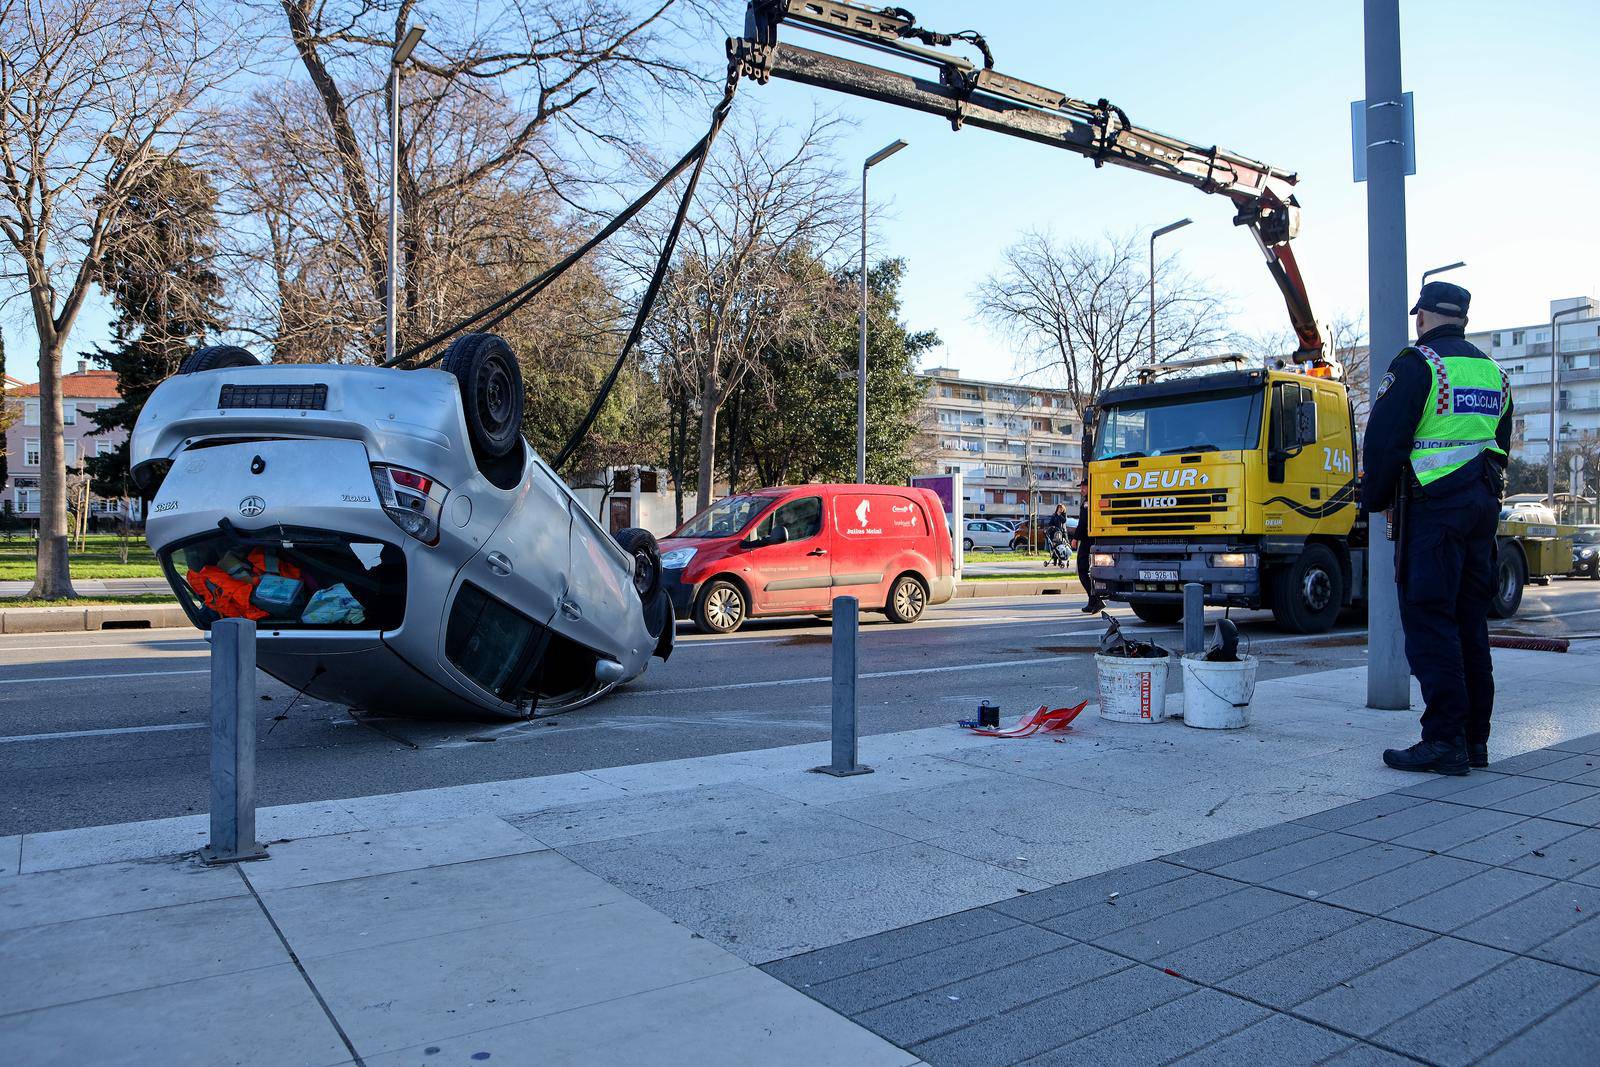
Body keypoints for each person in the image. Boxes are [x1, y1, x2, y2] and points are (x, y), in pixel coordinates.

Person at [1362, 280, 1512, 776]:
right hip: (1481, 509)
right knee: (1470, 622)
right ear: (1462, 319)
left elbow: (1384, 440)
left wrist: (1377, 499)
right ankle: (1475, 741)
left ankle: (1443, 740)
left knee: (1431, 621)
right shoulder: (1494, 373)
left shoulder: (1419, 364)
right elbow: (1501, 440)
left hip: (1432, 510)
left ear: (1422, 317)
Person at [1069, 487, 1104, 614]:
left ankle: (1095, 599)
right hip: (1094, 538)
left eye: (1084, 487)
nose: (1081, 490)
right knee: (1089, 571)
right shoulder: (1093, 499)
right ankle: (1093, 601)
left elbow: (1083, 522)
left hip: (1086, 540)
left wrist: (1075, 538)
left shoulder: (1087, 502)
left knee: (1083, 570)